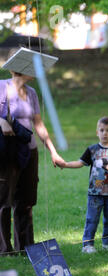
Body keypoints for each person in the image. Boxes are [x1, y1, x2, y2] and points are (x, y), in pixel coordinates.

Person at [0, 68, 65, 255]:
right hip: (8, 152)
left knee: (26, 201)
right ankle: (4, 249)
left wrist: (53, 151)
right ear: (16, 68)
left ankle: (26, 248)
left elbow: (38, 124)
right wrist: (1, 121)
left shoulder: (31, 92)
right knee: (3, 201)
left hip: (29, 151)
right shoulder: (2, 86)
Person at [61, 117, 108, 253]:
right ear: (97, 132)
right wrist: (66, 164)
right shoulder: (92, 150)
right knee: (92, 220)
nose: (105, 133)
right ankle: (87, 245)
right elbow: (80, 163)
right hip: (95, 193)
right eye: (102, 130)